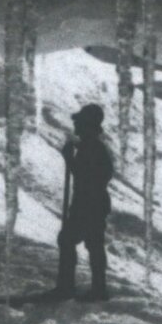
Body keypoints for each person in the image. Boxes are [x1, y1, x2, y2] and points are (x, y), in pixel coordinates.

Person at [56, 103, 114, 300]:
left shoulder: (93, 148)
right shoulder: (90, 147)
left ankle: (71, 288)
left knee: (73, 240)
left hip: (90, 205)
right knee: (89, 243)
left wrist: (70, 160)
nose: (76, 126)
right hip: (90, 204)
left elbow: (88, 176)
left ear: (88, 125)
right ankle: (94, 288)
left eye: (80, 123)